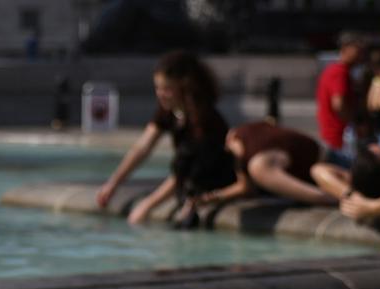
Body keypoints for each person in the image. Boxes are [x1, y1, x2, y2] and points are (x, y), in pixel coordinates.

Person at [95, 50, 235, 226]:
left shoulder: (205, 121)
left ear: (185, 87)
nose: (160, 94)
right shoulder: (170, 110)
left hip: (212, 182)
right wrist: (112, 184)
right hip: (190, 180)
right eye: (158, 88)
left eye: (167, 89)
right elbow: (142, 148)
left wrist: (147, 205)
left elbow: (187, 172)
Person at [197, 121, 335, 206]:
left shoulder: (258, 166)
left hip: (330, 166)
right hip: (328, 152)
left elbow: (319, 196)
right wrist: (213, 197)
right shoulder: (235, 134)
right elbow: (245, 187)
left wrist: (336, 200)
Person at [315, 31, 364, 167]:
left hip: (336, 134)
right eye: (357, 48)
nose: (361, 53)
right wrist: (353, 124)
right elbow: (339, 104)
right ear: (345, 49)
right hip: (339, 135)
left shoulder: (337, 70)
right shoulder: (339, 72)